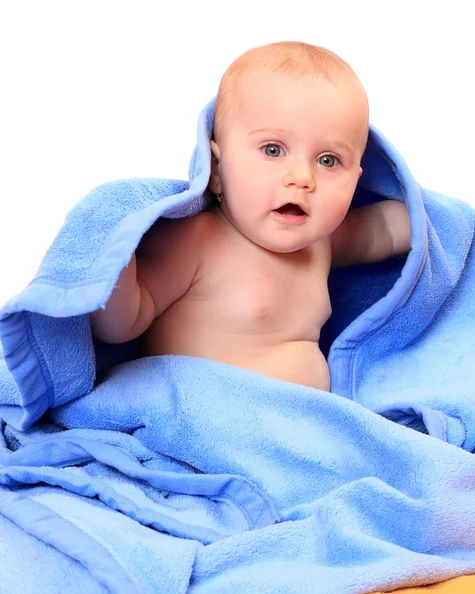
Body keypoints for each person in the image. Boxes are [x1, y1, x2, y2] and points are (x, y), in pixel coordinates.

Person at [91, 41, 411, 392]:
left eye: (328, 160)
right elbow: (123, 324)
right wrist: (115, 261)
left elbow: (384, 230)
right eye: (273, 150)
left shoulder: (323, 243)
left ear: (356, 181)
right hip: (208, 420)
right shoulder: (198, 240)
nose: (302, 178)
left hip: (308, 425)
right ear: (216, 167)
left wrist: (440, 225)